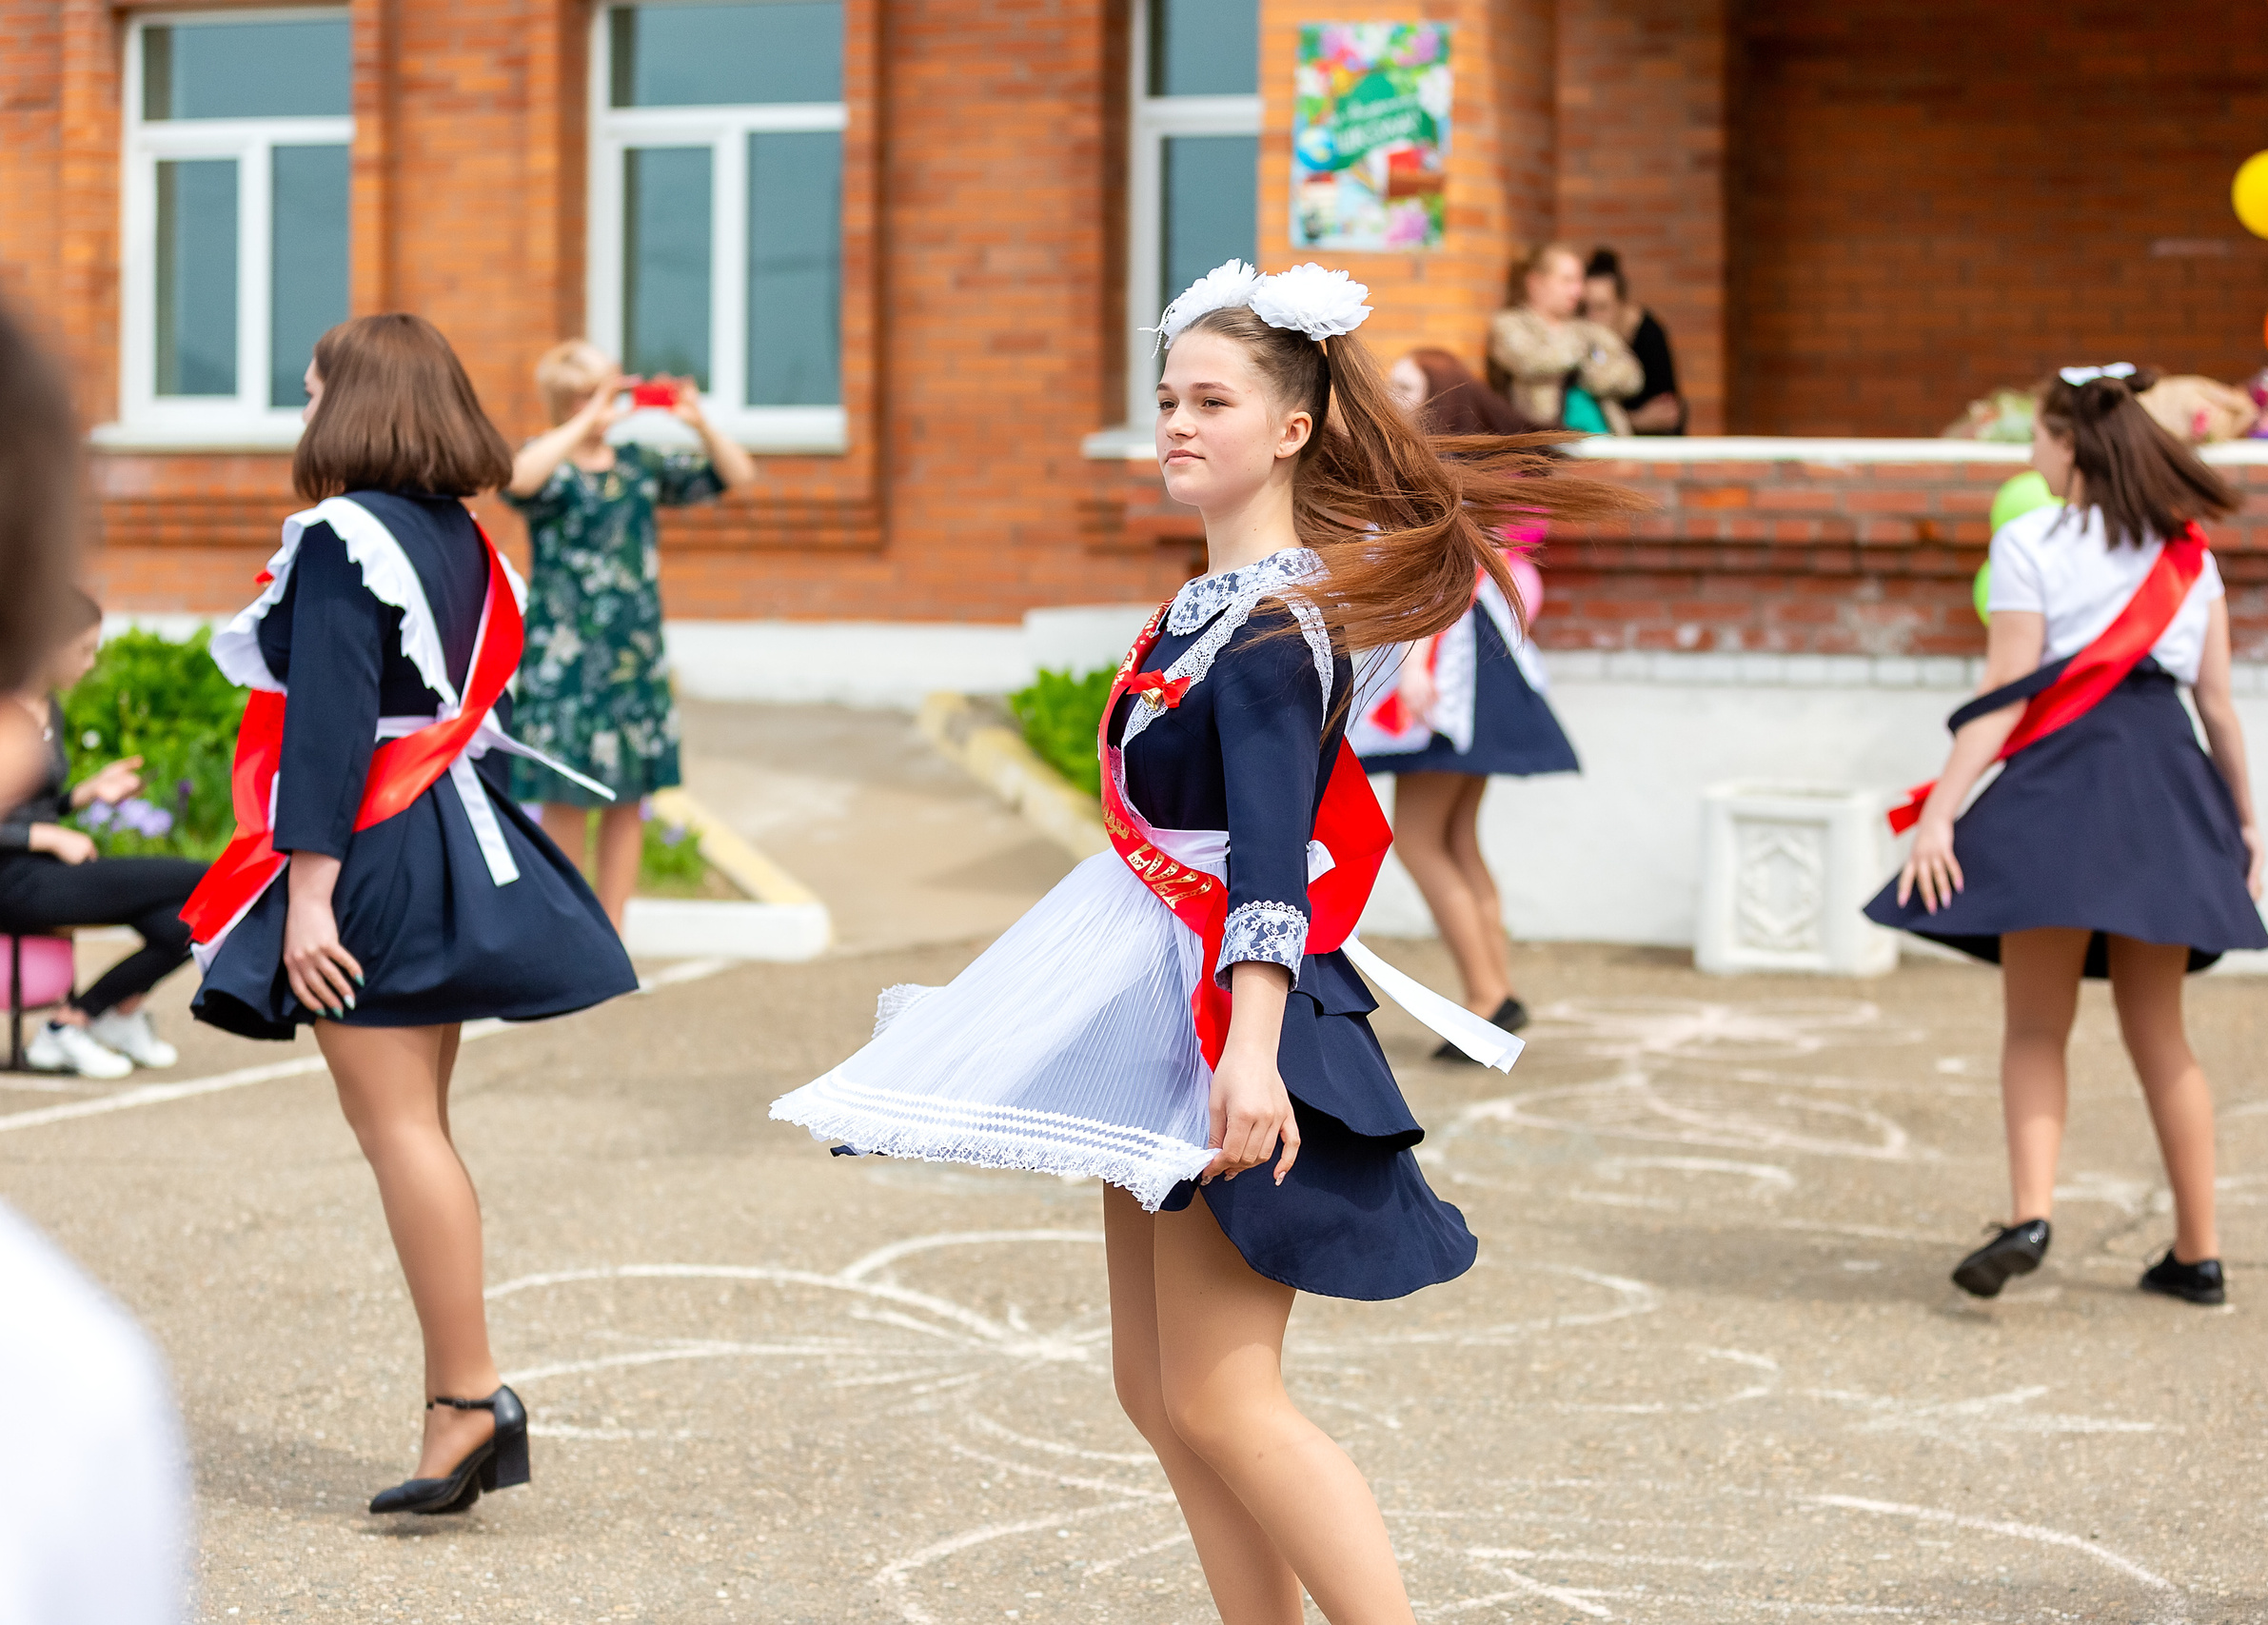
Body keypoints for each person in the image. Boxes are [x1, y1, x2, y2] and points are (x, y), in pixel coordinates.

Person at [774, 260, 1636, 1623]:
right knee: (1162, 1391)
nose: (1176, 421)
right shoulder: (1203, 609)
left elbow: (1276, 854)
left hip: (1229, 1022)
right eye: (1167, 396)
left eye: (1211, 399)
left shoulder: (1279, 628)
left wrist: (1250, 1055)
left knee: (1230, 1395)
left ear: (1293, 427)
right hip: (1155, 1009)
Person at [186, 313, 638, 1514]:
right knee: (422, 1129)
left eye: (317, 375)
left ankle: (468, 1401)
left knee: (402, 1137)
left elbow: (331, 725)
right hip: (439, 826)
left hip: (373, 849)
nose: (301, 386)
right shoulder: (461, 538)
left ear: (359, 399)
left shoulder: (342, 538)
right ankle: (458, 1401)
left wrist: (310, 896)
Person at [1864, 363, 2268, 1307]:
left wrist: (1939, 813)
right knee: (2160, 1035)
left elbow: (2002, 699)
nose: (2029, 455)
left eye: (2036, 438)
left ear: (2067, 443)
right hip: (2169, 786)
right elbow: (2218, 706)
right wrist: (2246, 821)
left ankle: (2030, 1214)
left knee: (2037, 1025)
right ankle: (2199, 1255)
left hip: (2061, 790)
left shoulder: (2028, 541)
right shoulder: (2190, 555)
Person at [0, 293, 191, 1625]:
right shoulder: (61, 1386)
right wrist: (39, 823)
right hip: (11, 869)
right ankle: (85, 1017)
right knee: (194, 881)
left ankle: (99, 1014)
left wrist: (85, 796)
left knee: (191, 880)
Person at [1363, 348, 1583, 1052]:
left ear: (1439, 404)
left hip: (1454, 671)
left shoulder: (1434, 476)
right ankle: (1497, 990)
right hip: (1481, 664)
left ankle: (1487, 997)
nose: (1390, 396)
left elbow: (1443, 581)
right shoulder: (1462, 477)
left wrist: (1420, 666)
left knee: (1425, 840)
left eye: (1403, 387)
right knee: (1455, 839)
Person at [503, 340, 756, 934]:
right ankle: (565, 935)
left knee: (627, 801)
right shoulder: (551, 465)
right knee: (565, 798)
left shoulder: (637, 463)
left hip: (632, 659)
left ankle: (612, 936)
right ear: (573, 397)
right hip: (563, 664)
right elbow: (517, 479)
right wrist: (585, 421)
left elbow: (735, 474)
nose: (615, 395)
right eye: (598, 387)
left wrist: (698, 422)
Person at [0, 589, 209, 1078]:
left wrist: (83, 796)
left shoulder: (48, 707)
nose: (91, 663)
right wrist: (47, 839)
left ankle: (87, 1018)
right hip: (11, 879)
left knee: (184, 924)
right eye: (83, 650)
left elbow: (26, 808)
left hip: (43, 872)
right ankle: (74, 1029)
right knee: (207, 879)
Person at [1487, 242, 1643, 434]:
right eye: (1567, 281)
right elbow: (1530, 362)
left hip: (1608, 442)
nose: (1578, 292)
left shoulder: (1588, 329)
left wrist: (1589, 374)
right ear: (1535, 283)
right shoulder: (1509, 324)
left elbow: (1633, 376)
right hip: (1542, 445)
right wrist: (1584, 354)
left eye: (1579, 282)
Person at [1581, 247, 1685, 435]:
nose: (1592, 317)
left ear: (1622, 305)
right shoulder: (1579, 335)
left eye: (1602, 307)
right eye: (1584, 307)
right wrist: (1635, 420)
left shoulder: (1649, 336)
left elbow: (1668, 415)